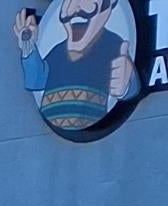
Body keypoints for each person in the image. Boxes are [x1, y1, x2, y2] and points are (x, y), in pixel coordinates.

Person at [15, 0, 140, 132]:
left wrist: (127, 86)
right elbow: (37, 81)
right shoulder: (57, 51)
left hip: (93, 127)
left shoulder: (114, 46)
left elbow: (128, 81)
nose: (73, 8)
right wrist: (28, 46)